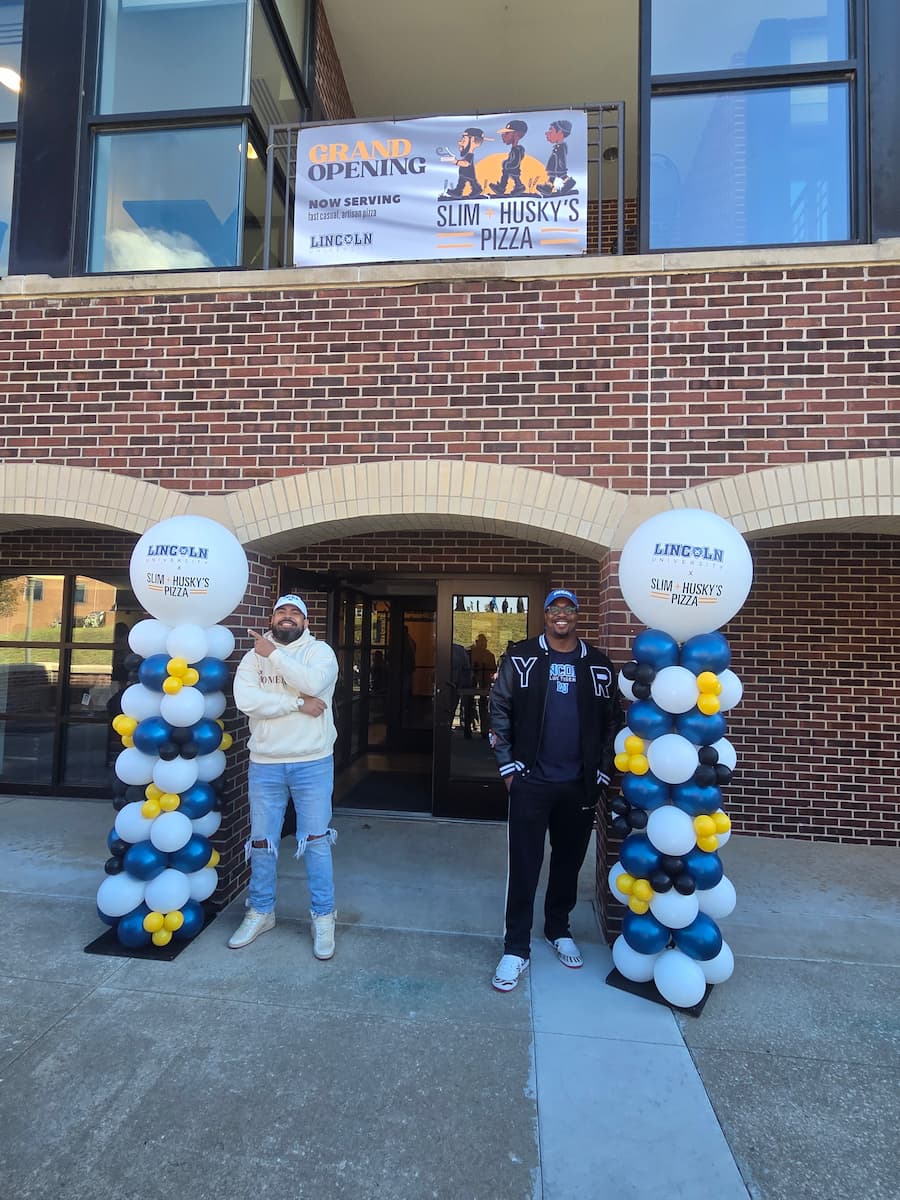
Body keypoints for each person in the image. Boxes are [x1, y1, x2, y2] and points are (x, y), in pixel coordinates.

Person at [488, 588, 622, 991]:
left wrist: (601, 773)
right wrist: (510, 770)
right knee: (525, 866)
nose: (560, 615)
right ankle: (515, 948)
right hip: (530, 782)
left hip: (578, 786)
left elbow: (613, 722)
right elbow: (499, 709)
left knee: (568, 861)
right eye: (553, 609)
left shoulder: (598, 664)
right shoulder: (522, 657)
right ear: (544, 615)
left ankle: (557, 928)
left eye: (568, 609)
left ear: (577, 616)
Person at [229, 594, 340, 959]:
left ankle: (324, 917)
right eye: (282, 611)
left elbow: (312, 684)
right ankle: (261, 911)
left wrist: (273, 654)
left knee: (317, 842)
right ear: (273, 618)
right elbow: (247, 700)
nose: (288, 617)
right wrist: (295, 704)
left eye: (295, 612)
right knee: (262, 841)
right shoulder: (252, 657)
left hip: (312, 761)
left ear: (306, 623)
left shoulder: (319, 652)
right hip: (265, 762)